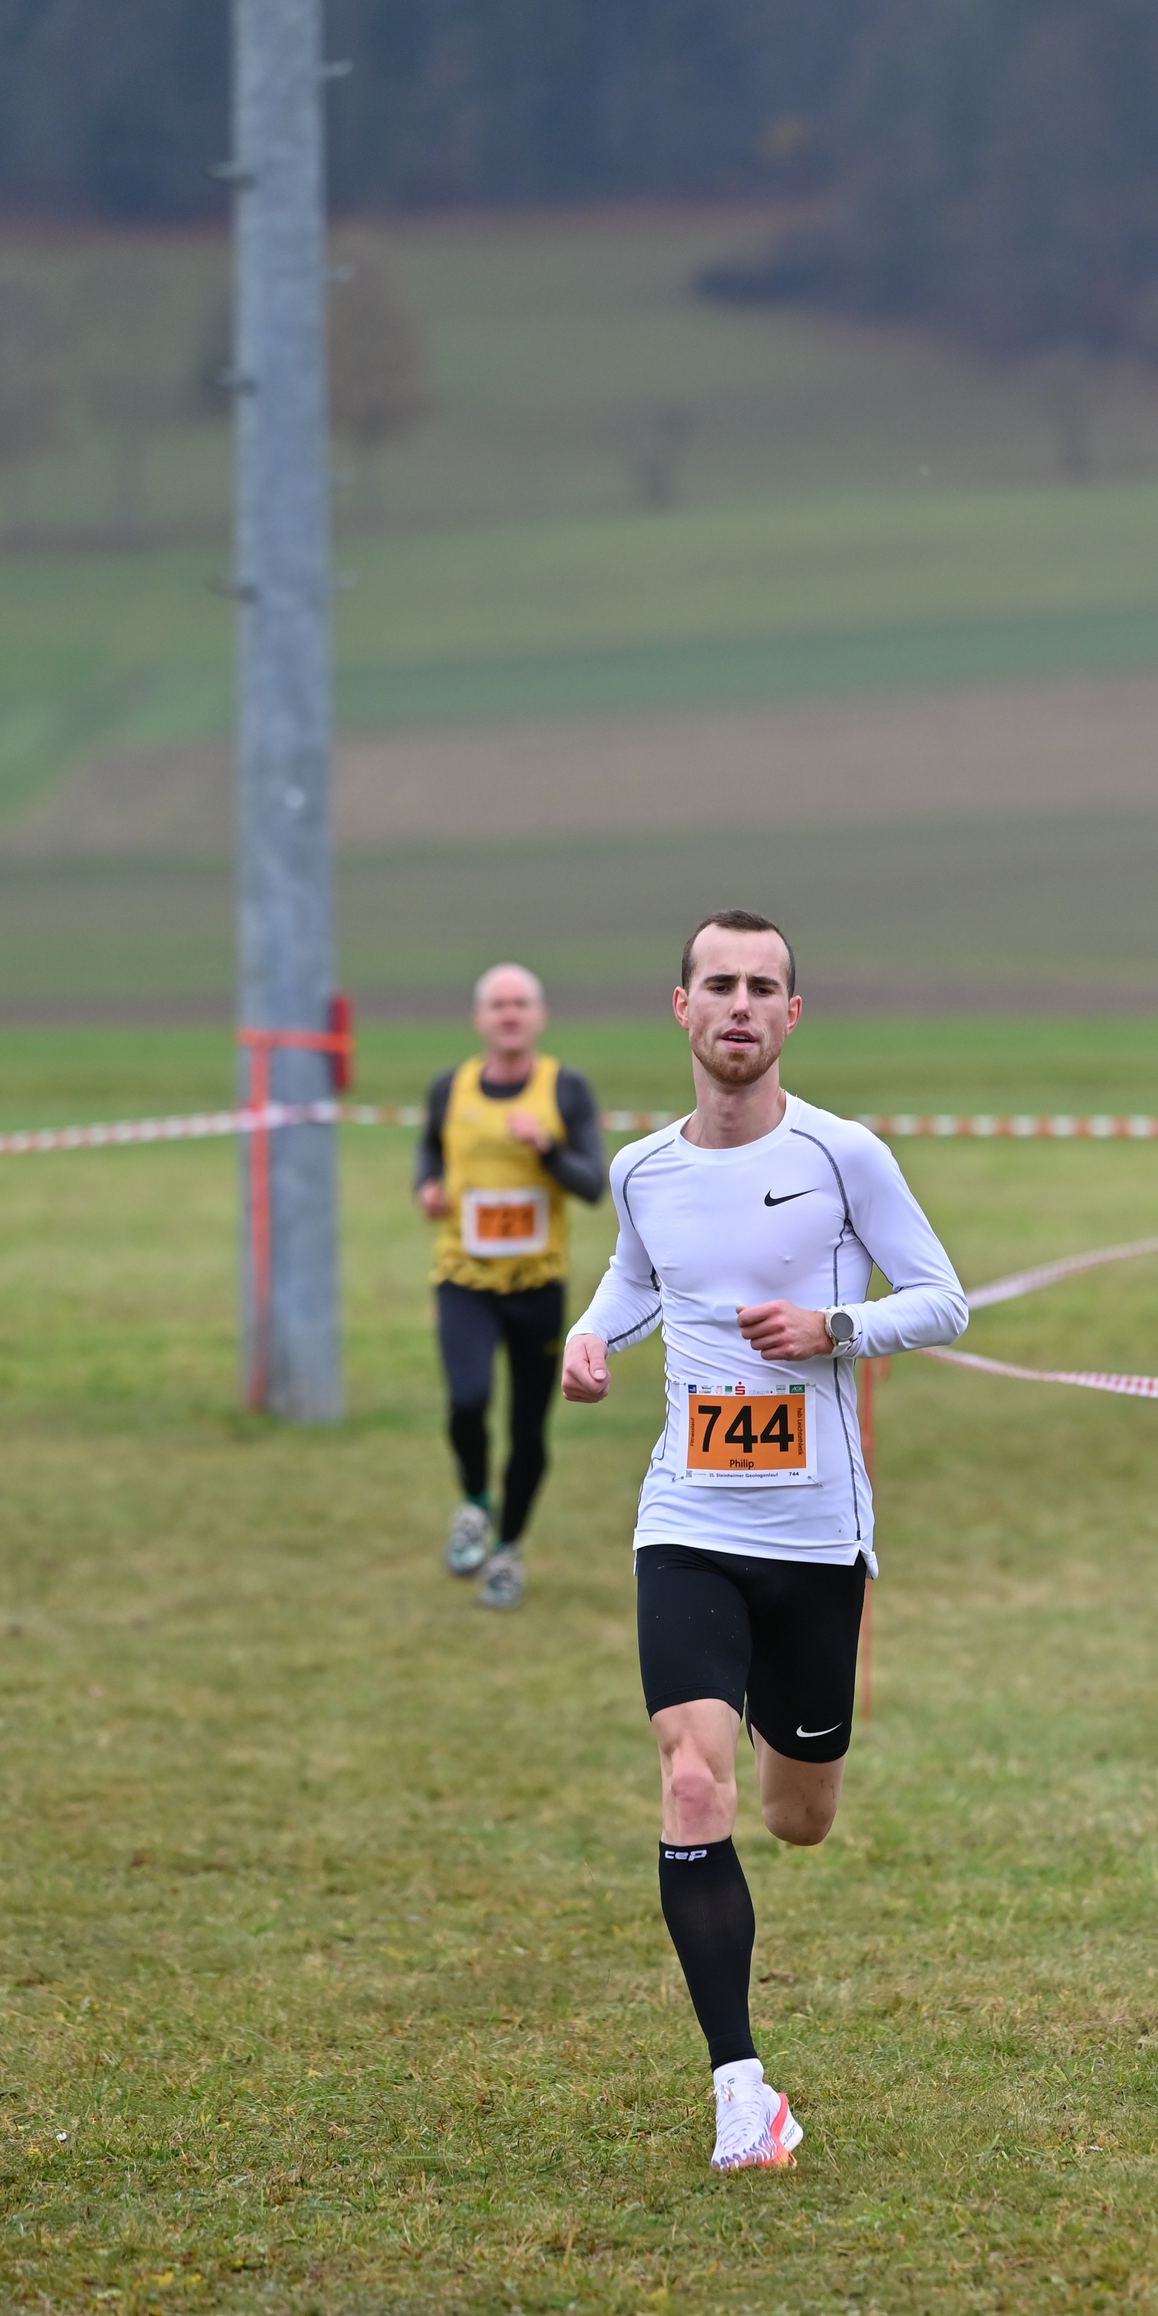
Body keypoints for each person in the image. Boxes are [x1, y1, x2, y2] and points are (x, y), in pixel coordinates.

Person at [560, 908, 968, 2172]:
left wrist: (833, 1329)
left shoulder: (843, 1155)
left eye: (761, 987)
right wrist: (591, 1332)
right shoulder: (641, 1169)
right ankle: (741, 2090)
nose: (738, 1005)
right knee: (692, 1784)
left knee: (797, 1818)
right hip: (685, 1519)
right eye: (718, 984)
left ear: (790, 1015)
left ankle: (772, 1737)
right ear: (680, 1007)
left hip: (813, 1537)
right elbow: (639, 1276)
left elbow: (941, 1300)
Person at [416, 962, 607, 1612]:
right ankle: (475, 1501)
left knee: (529, 1432)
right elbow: (430, 1149)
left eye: (520, 1003)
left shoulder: (565, 1089)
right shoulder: (450, 1088)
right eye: (498, 1004)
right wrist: (428, 1186)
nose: (509, 1014)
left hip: (537, 1286)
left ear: (539, 1016)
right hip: (464, 1278)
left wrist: (547, 1148)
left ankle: (508, 1549)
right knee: (467, 1400)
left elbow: (591, 1184)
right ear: (480, 1018)